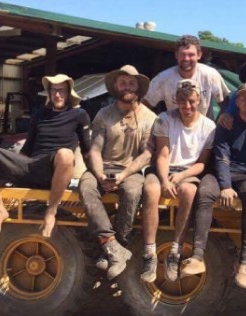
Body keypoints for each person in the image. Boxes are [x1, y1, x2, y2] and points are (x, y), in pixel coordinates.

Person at [0, 74, 91, 238]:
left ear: (68, 93)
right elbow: (28, 147)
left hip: (54, 172)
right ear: (49, 93)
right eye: (54, 90)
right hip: (32, 166)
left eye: (62, 91)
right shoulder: (39, 114)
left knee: (65, 154)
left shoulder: (79, 115)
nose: (57, 94)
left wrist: (96, 174)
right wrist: (13, 165)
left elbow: (87, 149)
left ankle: (51, 211)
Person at [181, 82, 246, 289]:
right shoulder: (226, 123)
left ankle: (244, 263)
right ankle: (197, 256)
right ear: (237, 102)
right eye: (244, 98)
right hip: (220, 172)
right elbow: (221, 157)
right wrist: (226, 186)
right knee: (205, 191)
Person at [79, 65, 157, 280]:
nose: (127, 86)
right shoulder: (104, 114)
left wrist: (123, 175)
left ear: (139, 87)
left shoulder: (149, 117)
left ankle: (120, 244)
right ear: (115, 86)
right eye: (123, 82)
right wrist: (99, 173)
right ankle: (111, 245)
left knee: (132, 192)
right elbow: (95, 148)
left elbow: (146, 154)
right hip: (102, 167)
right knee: (85, 186)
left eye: (132, 83)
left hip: (130, 171)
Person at [140, 79, 216, 283]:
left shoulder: (209, 126)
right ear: (175, 100)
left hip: (188, 171)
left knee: (189, 192)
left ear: (199, 99)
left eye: (191, 100)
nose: (187, 106)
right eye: (182, 100)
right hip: (164, 168)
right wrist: (165, 180)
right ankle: (149, 253)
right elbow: (162, 154)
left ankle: (175, 250)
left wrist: (181, 177)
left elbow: (202, 164)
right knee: (151, 190)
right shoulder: (165, 119)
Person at [142, 35, 230, 119]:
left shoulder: (210, 75)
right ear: (176, 55)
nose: (186, 58)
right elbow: (144, 105)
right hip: (173, 130)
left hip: (203, 131)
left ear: (199, 55)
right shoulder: (163, 78)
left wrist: (218, 126)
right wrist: (156, 124)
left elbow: (226, 103)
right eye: (182, 54)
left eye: (191, 55)